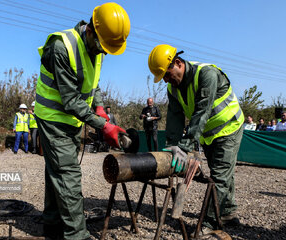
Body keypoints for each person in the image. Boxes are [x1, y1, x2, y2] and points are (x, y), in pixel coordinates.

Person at [34, 3, 130, 239]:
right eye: (102, 46)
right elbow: (70, 100)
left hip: (72, 120)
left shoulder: (96, 48)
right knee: (68, 174)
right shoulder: (61, 46)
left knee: (56, 169)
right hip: (54, 118)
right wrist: (104, 126)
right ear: (90, 30)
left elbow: (93, 82)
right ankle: (76, 235)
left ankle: (52, 223)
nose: (103, 52)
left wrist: (99, 106)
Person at [148, 44, 244, 236]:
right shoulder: (172, 88)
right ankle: (227, 212)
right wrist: (172, 145)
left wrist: (185, 146)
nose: (166, 80)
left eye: (167, 74)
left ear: (178, 63)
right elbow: (174, 117)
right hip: (209, 133)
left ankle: (209, 223)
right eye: (163, 78)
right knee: (222, 171)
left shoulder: (206, 74)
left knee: (219, 175)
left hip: (229, 127)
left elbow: (202, 111)